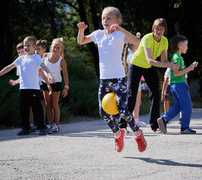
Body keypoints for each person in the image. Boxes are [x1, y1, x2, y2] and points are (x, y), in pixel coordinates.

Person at [77, 6, 146, 152]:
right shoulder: (98, 34)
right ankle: (117, 134)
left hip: (119, 79)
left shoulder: (120, 35)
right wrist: (81, 30)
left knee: (123, 111)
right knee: (103, 112)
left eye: (109, 18)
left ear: (117, 20)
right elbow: (81, 41)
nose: (105, 21)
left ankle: (138, 134)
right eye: (103, 18)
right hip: (104, 80)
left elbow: (137, 42)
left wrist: (121, 29)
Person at [119, 18, 179, 132]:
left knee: (156, 93)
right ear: (153, 28)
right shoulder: (147, 38)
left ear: (164, 30)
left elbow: (164, 60)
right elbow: (150, 60)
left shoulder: (165, 41)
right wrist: (169, 65)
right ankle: (122, 125)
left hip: (148, 67)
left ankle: (154, 125)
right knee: (131, 94)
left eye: (161, 29)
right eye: (156, 28)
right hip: (136, 65)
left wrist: (172, 64)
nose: (158, 31)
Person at [0, 36, 55, 136]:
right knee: (24, 109)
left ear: (34, 47)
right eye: (25, 45)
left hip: (34, 89)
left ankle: (42, 127)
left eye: (28, 45)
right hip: (23, 89)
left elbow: (43, 66)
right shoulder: (21, 58)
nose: (26, 47)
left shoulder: (36, 57)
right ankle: (25, 128)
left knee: (37, 109)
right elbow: (9, 67)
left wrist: (50, 74)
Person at [157, 35, 198, 134]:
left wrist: (189, 68)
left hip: (175, 84)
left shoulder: (177, 57)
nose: (187, 47)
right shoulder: (177, 57)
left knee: (178, 105)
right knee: (187, 105)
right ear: (180, 45)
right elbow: (175, 73)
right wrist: (189, 68)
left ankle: (164, 120)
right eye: (186, 45)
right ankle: (184, 127)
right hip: (179, 84)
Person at [42, 38, 69, 133]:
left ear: (61, 49)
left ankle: (56, 125)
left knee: (54, 105)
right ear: (51, 47)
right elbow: (41, 69)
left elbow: (65, 75)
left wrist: (66, 87)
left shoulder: (62, 61)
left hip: (56, 84)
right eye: (54, 47)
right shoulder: (45, 56)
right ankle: (50, 124)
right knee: (48, 105)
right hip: (45, 83)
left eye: (58, 48)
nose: (55, 49)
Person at [123, 33, 146, 127]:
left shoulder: (129, 55)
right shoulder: (132, 56)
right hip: (134, 81)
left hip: (132, 80)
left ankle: (135, 119)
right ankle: (135, 119)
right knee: (137, 101)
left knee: (136, 100)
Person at [35, 40, 48, 127]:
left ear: (44, 50)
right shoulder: (33, 58)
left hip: (44, 83)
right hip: (36, 84)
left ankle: (46, 122)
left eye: (39, 49)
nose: (36, 51)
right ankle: (40, 122)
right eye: (35, 49)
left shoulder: (46, 59)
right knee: (38, 104)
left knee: (45, 104)